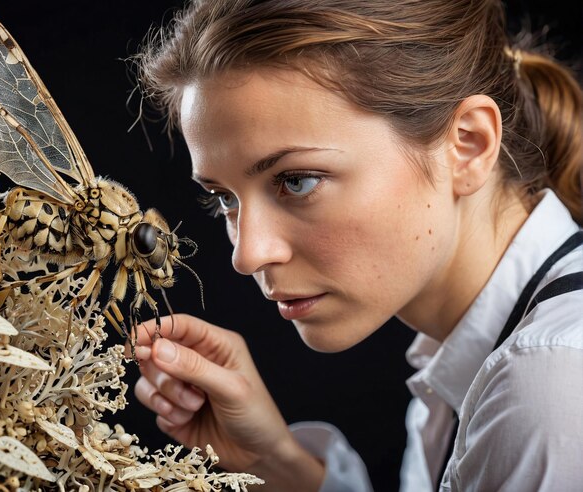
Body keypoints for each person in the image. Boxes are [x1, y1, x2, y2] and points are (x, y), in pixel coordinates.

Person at [128, 0, 583, 490]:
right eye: (223, 198)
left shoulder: (552, 381)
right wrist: (276, 461)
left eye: (297, 181)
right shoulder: (467, 361)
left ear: (467, 145)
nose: (248, 254)